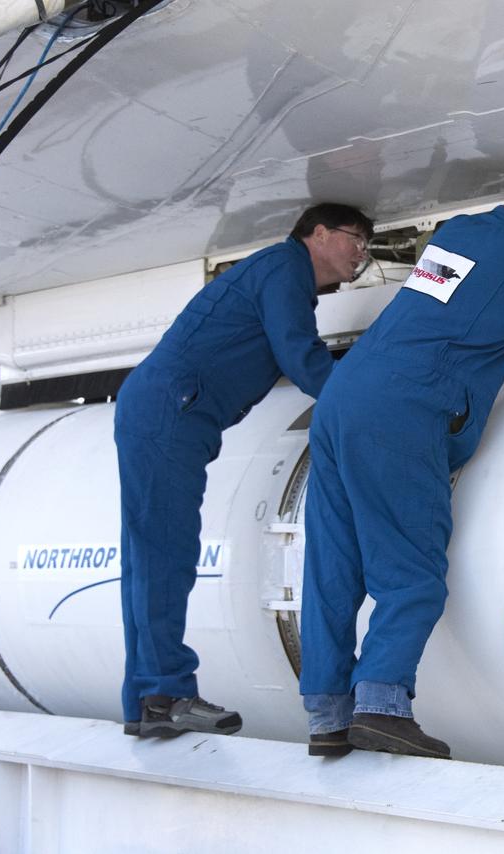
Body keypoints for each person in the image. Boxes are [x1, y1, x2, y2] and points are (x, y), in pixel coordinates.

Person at [299, 164, 504, 759]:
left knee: (334, 567)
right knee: (412, 573)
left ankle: (327, 718)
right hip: (400, 412)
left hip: (341, 398)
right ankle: (381, 706)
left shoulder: (457, 230)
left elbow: (451, 306)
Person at [116, 203, 374, 738]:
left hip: (167, 410)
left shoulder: (279, 274)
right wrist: (367, 403)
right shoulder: (284, 269)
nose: (362, 252)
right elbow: (300, 356)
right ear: (318, 233)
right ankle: (167, 694)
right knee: (165, 553)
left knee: (150, 558)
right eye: (355, 238)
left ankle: (147, 701)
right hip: (172, 411)